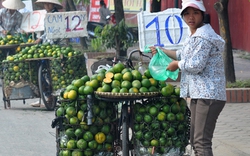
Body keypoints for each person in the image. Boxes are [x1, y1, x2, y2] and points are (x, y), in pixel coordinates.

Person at [150, 0, 226, 155]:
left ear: (202, 15)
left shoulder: (204, 37)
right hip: (200, 93)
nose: (191, 17)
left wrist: (176, 64)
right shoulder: (193, 35)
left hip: (209, 94)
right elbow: (181, 54)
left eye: (195, 13)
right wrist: (161, 50)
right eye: (187, 13)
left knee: (201, 142)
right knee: (195, 139)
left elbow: (195, 65)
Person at [30, 0, 63, 107]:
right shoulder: (47, 16)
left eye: (48, 4)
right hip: (46, 47)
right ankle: (48, 94)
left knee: (56, 73)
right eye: (45, 4)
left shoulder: (56, 15)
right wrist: (40, 38)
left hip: (55, 47)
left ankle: (54, 95)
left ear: (53, 4)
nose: (46, 6)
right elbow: (46, 32)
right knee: (41, 68)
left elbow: (58, 32)